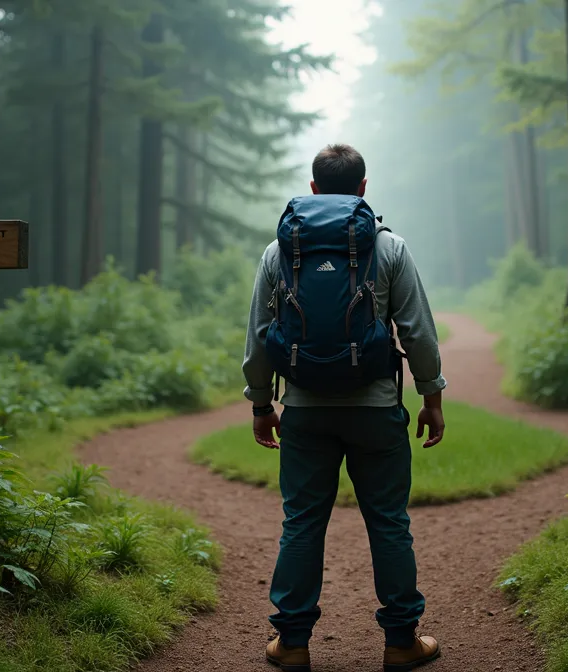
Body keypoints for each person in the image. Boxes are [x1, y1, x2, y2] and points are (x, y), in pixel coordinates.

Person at [242, 143, 447, 672]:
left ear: (312, 189)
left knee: (302, 522)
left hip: (305, 409)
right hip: (376, 408)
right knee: (388, 522)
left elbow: (260, 338)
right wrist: (432, 396)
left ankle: (291, 644)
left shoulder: (277, 251)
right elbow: (418, 332)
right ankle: (402, 643)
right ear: (362, 189)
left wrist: (262, 405)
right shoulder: (390, 247)